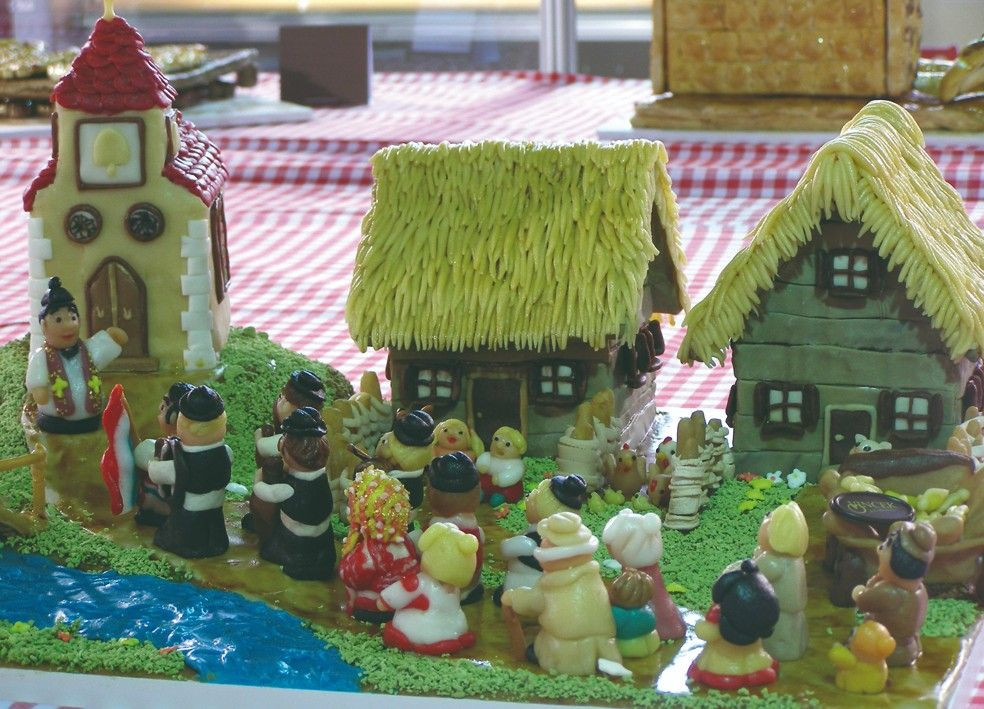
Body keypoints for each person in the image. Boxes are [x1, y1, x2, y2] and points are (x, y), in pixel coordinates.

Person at [502, 511, 623, 676]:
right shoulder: (592, 576)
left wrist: (513, 597)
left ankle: (567, 665)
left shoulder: (552, 584)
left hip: (563, 645)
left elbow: (533, 603)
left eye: (545, 545)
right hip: (603, 639)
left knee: (548, 649)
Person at [26, 276, 127, 434]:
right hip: (55, 419)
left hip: (91, 418)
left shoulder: (86, 350)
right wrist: (39, 389)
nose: (69, 325)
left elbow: (101, 348)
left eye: (72, 318)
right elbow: (37, 381)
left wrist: (111, 339)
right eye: (58, 320)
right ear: (44, 326)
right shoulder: (42, 357)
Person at [149, 386, 231, 559]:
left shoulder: (182, 460)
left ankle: (191, 548)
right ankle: (217, 544)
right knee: (214, 531)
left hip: (190, 514)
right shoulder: (226, 452)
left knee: (185, 537)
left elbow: (155, 473)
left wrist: (155, 458)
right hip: (216, 508)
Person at [253, 406, 335, 580]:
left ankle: (299, 567)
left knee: (267, 550)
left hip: (296, 543)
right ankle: (323, 563)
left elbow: (263, 492)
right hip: (324, 542)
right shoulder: (323, 477)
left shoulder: (288, 489)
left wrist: (258, 477)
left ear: (289, 454)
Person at [244, 369, 326, 541]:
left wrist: (259, 435)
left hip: (292, 498)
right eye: (281, 396)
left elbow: (263, 447)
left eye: (285, 400)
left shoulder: (295, 438)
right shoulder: (313, 433)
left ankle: (269, 525)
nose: (279, 401)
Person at [378, 522, 478, 655]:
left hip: (441, 623)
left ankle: (447, 640)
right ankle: (446, 640)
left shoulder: (444, 586)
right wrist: (386, 601)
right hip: (435, 623)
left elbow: (400, 592)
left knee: (445, 626)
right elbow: (401, 592)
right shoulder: (427, 584)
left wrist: (384, 602)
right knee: (437, 628)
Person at [338, 468, 420, 623]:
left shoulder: (368, 553)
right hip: (401, 602)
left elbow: (348, 575)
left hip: (373, 607)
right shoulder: (405, 541)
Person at [494, 474, 588, 606]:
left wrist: (507, 544)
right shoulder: (562, 541)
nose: (528, 499)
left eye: (533, 499)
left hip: (527, 586)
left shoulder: (530, 543)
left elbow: (505, 550)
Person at [852, 520, 936, 666]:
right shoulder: (920, 589)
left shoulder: (889, 592)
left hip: (886, 648)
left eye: (885, 546)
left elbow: (862, 602)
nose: (879, 549)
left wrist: (860, 591)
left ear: (899, 562)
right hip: (912, 645)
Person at [688, 559, 780, 690]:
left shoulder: (720, 613)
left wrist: (702, 626)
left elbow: (707, 632)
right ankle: (756, 672)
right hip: (749, 657)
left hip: (727, 660)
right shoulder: (755, 613)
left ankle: (752, 672)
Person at [602, 508, 686, 641]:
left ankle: (664, 628)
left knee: (657, 603)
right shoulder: (633, 565)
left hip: (644, 622)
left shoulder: (640, 572)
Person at [422, 452, 485, 604]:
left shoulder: (436, 530)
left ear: (432, 493)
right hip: (470, 585)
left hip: (439, 589)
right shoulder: (474, 531)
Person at [131, 381, 194, 526]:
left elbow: (142, 456)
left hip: (169, 505)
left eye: (162, 408)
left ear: (174, 417)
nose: (159, 413)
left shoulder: (166, 448)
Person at [753, 501, 809, 661]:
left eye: (769, 519)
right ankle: (795, 647)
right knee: (795, 632)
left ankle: (780, 652)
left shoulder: (773, 562)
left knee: (778, 636)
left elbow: (753, 573)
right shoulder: (794, 558)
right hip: (793, 611)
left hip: (778, 612)